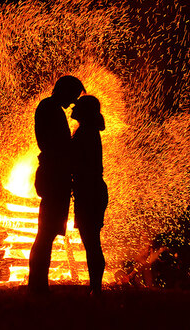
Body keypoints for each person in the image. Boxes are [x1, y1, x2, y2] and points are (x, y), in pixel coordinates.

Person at [28, 75, 85, 294]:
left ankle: (39, 284)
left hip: (54, 175)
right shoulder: (50, 108)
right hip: (53, 176)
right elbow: (58, 145)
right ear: (64, 90)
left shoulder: (51, 107)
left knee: (47, 232)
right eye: (72, 96)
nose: (72, 102)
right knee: (46, 233)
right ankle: (38, 286)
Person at [70, 95, 109, 295]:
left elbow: (78, 162)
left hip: (90, 192)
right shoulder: (88, 131)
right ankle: (95, 288)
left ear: (84, 111)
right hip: (91, 190)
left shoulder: (86, 132)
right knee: (91, 241)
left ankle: (96, 288)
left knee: (92, 242)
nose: (72, 108)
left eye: (77, 106)